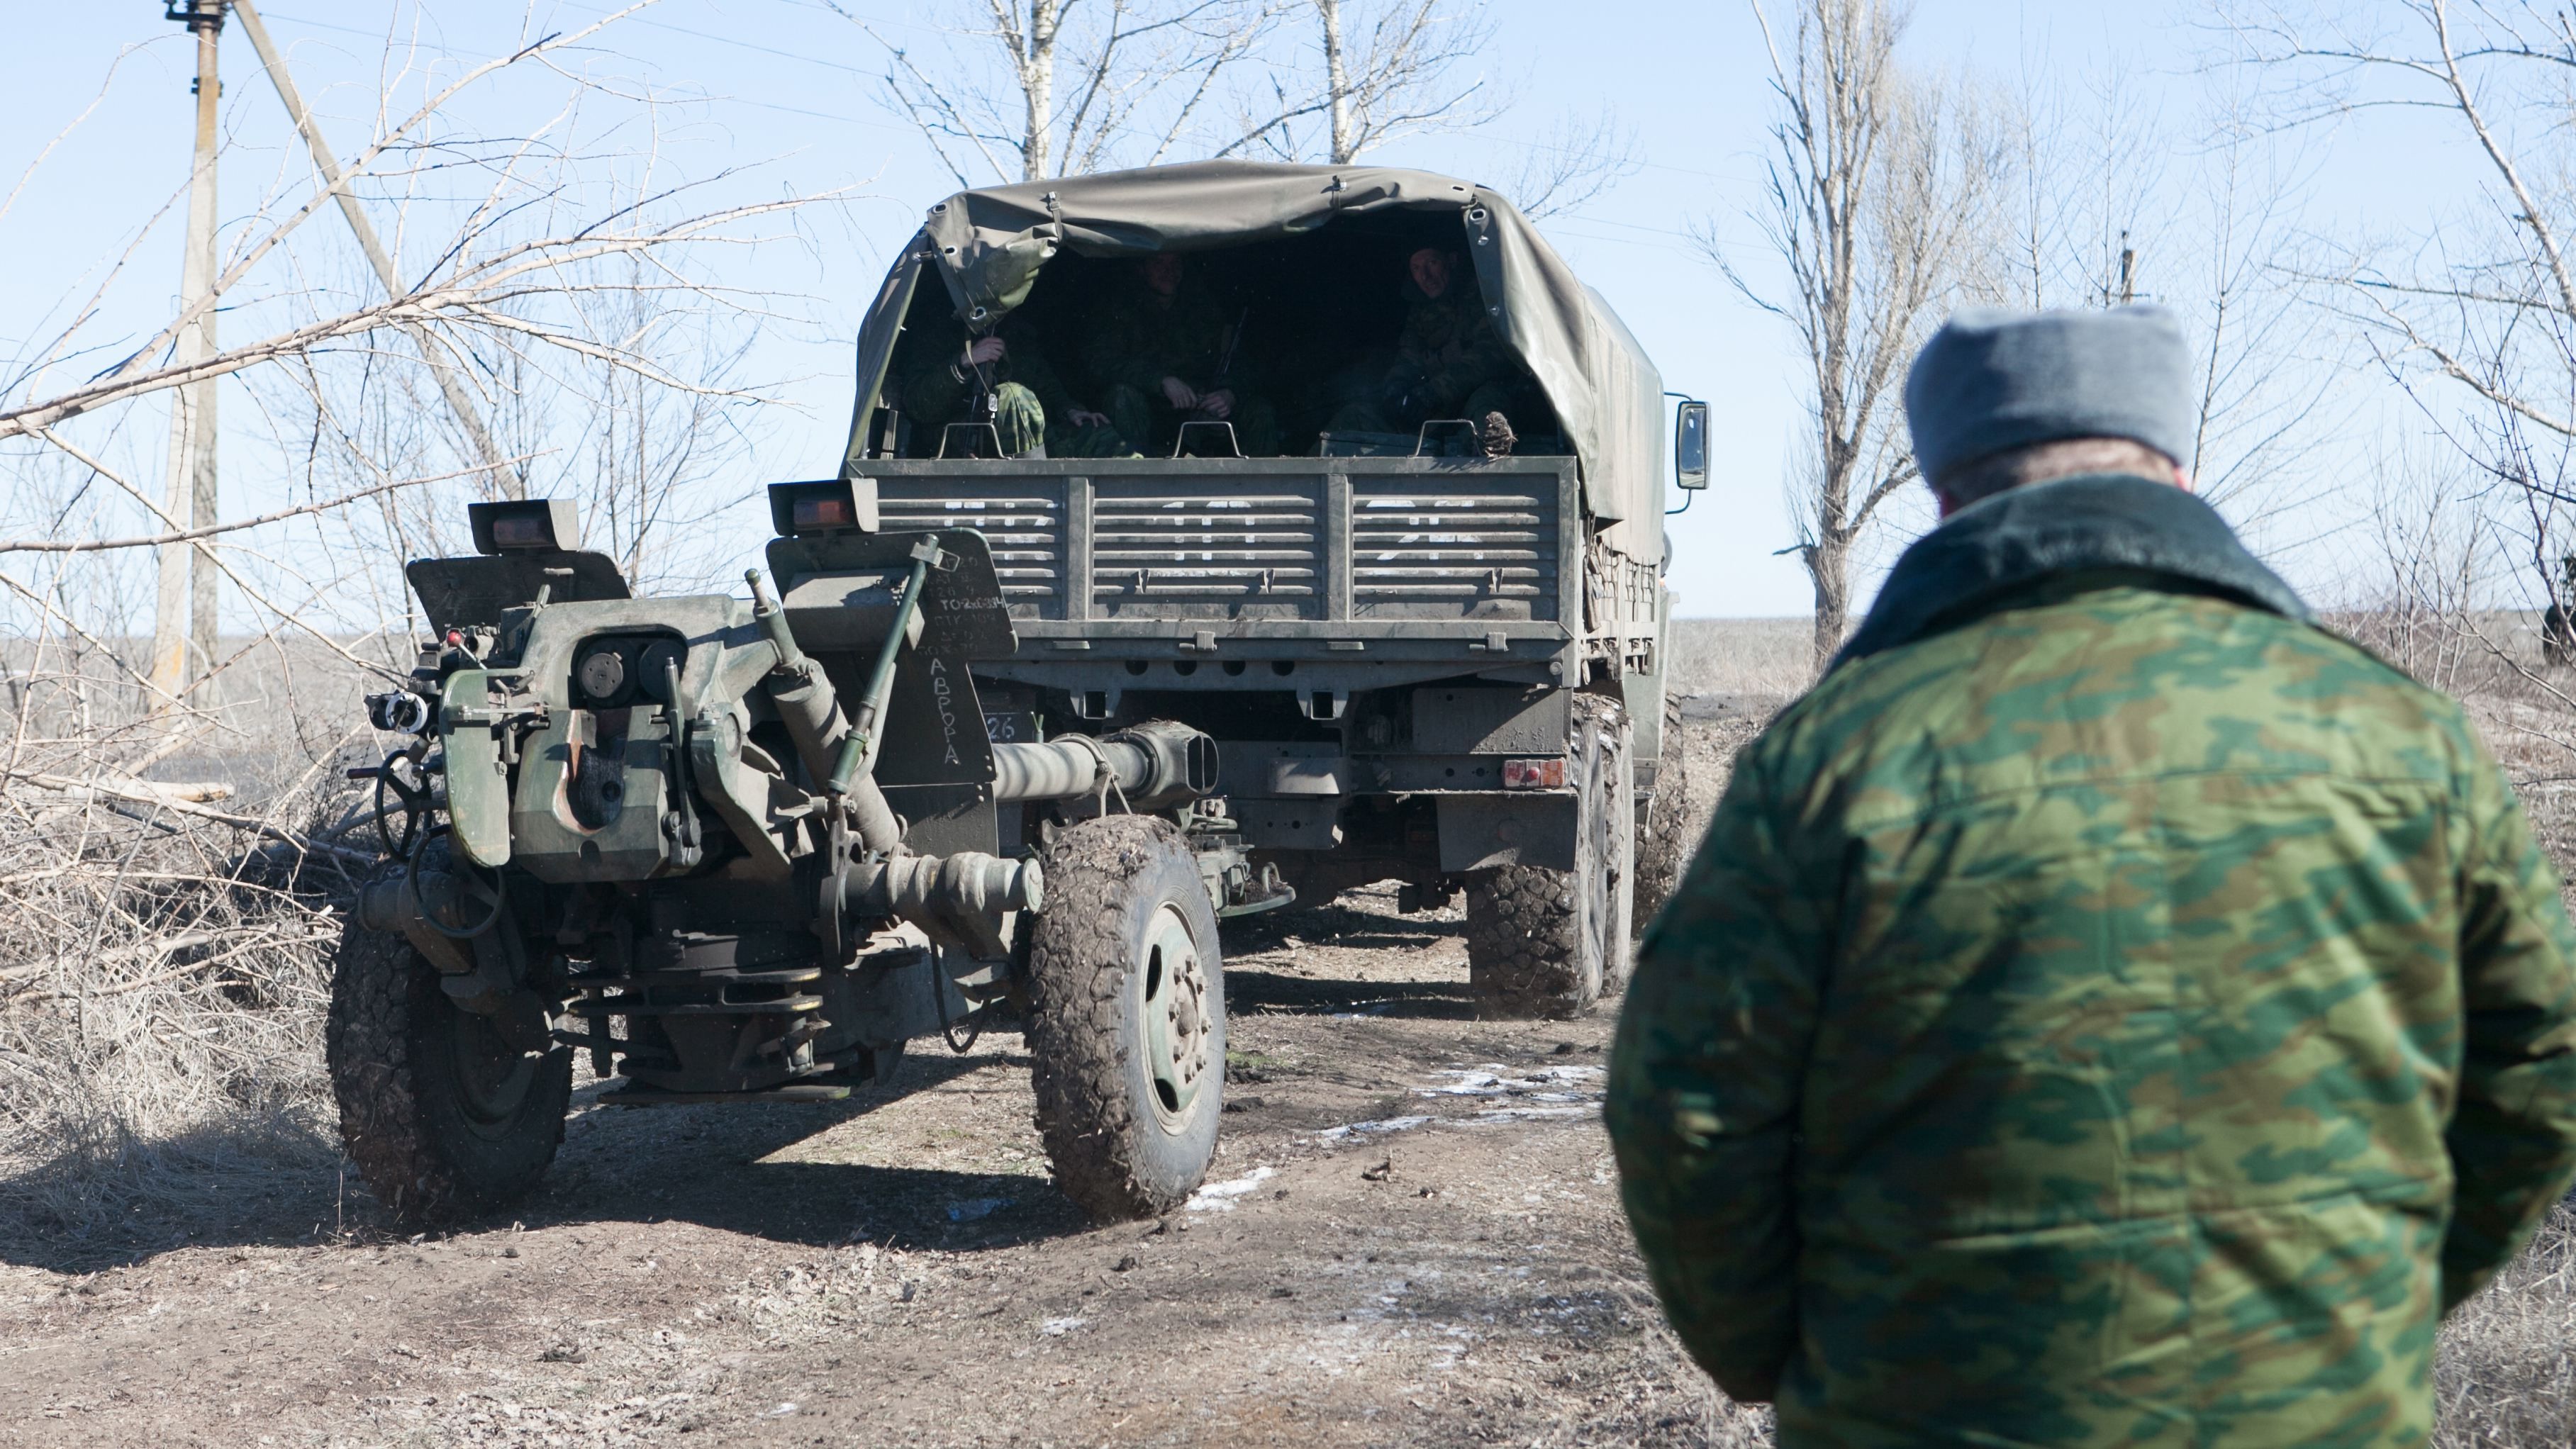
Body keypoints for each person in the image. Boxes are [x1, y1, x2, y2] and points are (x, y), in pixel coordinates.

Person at [1605, 305, 2576, 1448]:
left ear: (1946, 493)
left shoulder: (1832, 758)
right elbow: (2537, 1061)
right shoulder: (2402, 738)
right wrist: (2370, 1305)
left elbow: (1684, 1100)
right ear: (2173, 471)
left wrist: (1779, 1347)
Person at [1084, 253, 1278, 456]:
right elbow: (1100, 362)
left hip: (1204, 406)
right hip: (1151, 409)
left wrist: (1229, 393)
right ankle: (1132, 479)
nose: (1170, 271)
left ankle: (1265, 485)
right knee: (1121, 396)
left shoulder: (1203, 307)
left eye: (1176, 263)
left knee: (1259, 411)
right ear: (1141, 268)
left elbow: (1246, 362)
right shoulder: (1119, 307)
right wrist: (1160, 381)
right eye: (1159, 263)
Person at [1329, 246, 1524, 438]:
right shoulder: (1421, 310)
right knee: (1354, 416)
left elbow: (1490, 357)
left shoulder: (1484, 297)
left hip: (1472, 398)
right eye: (1416, 268)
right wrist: (1396, 386)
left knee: (1488, 411)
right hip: (1436, 408)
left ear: (1452, 261)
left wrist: (1434, 392)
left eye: (1432, 263)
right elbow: (1408, 356)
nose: (1425, 276)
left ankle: (1486, 450)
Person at [894, 320, 1131, 459]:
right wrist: (964, 362)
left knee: (1097, 436)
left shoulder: (1015, 334)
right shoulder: (938, 333)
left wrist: (1070, 411)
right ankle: (1033, 488)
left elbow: (1047, 386)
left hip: (1029, 440)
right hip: (965, 437)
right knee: (1011, 395)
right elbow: (918, 405)